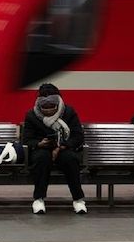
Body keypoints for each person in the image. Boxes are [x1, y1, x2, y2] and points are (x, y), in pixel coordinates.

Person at [22, 83, 87, 214]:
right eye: (44, 107)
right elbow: (27, 139)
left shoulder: (69, 112)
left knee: (71, 159)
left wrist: (61, 146)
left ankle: (78, 199)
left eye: (52, 106)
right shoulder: (31, 115)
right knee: (42, 158)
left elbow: (78, 136)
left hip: (64, 147)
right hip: (42, 148)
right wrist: (40, 143)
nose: (48, 109)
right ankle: (38, 199)